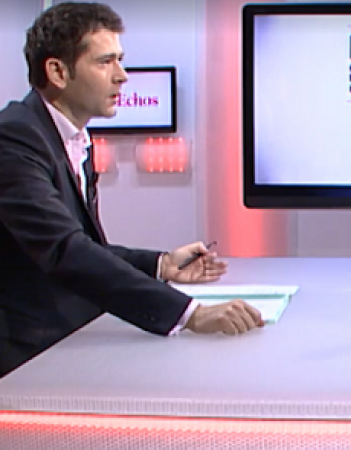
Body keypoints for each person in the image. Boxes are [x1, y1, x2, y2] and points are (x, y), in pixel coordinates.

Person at [0, 2, 263, 378]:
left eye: (120, 61)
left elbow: (85, 245)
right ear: (57, 71)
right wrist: (190, 313)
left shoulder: (74, 139)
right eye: (105, 62)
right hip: (26, 360)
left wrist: (161, 265)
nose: (122, 76)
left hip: (71, 342)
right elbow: (64, 250)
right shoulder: (14, 139)